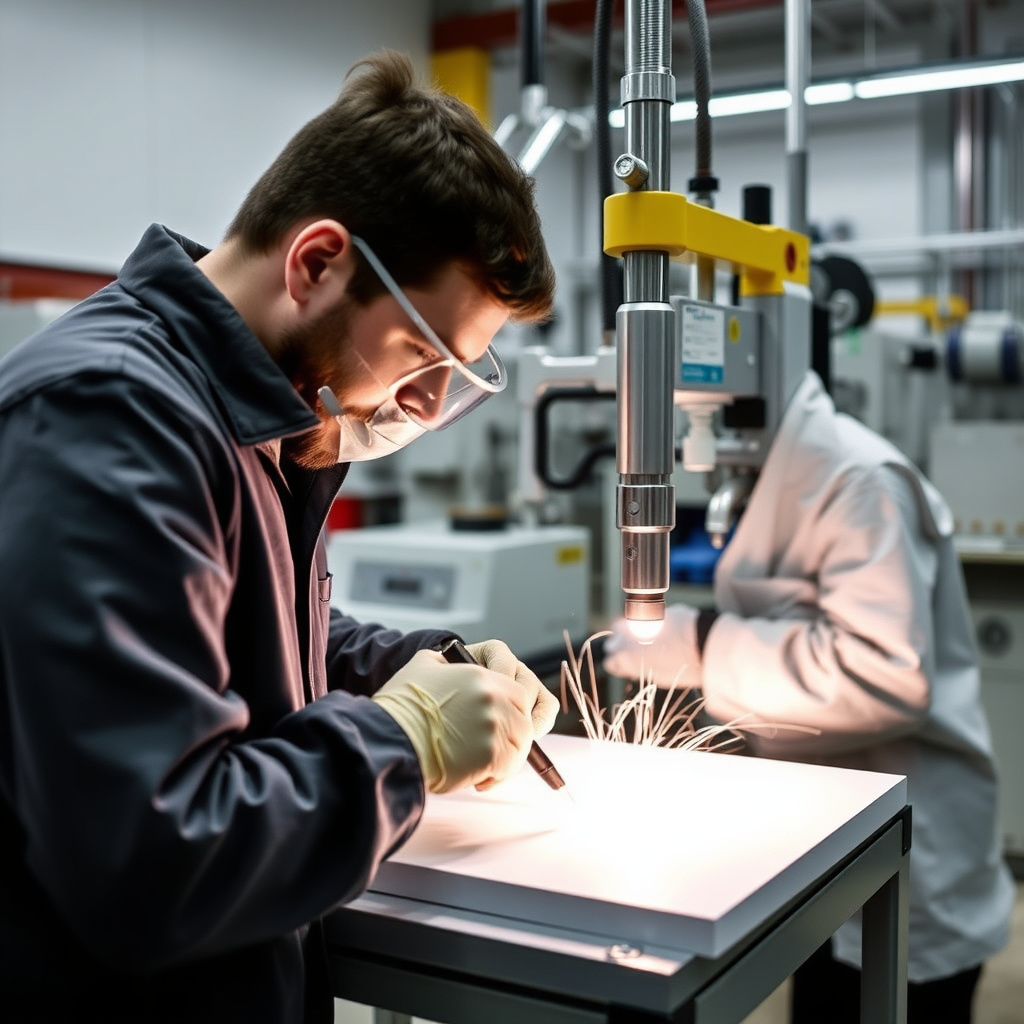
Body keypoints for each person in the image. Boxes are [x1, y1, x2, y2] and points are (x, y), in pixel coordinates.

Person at [0, 51, 560, 1024]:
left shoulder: (242, 410)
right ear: (316, 261)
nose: (426, 405)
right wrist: (404, 738)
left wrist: (416, 664)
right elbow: (152, 857)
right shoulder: (111, 414)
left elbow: (220, 638)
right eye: (424, 356)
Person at [604, 369, 1015, 1024]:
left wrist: (705, 646)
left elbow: (883, 676)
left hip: (913, 847)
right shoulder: (783, 470)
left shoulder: (859, 479)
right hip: (829, 848)